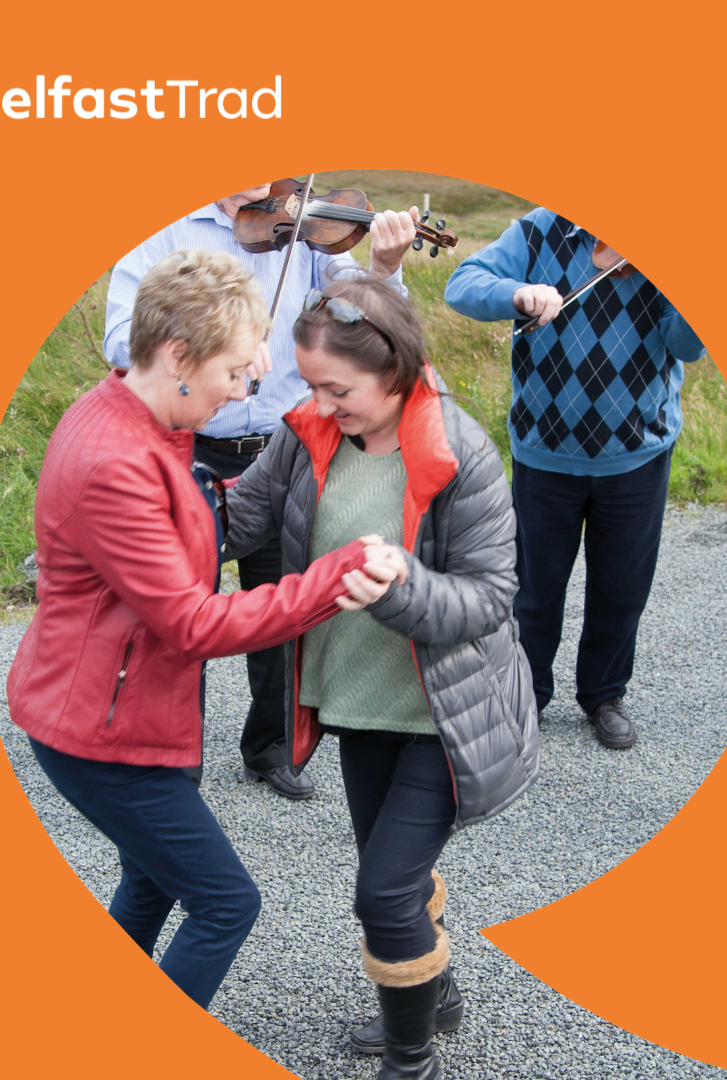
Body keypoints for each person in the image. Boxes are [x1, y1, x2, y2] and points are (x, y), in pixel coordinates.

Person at [7, 249, 403, 1010]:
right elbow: (192, 623)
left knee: (153, 881)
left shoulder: (139, 420)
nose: (242, 386)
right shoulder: (117, 463)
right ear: (178, 356)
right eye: (232, 370)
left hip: (109, 712)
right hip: (97, 732)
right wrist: (335, 578)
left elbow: (189, 518)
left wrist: (289, 472)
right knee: (226, 904)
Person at [225, 276, 539, 1079]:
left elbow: (491, 598)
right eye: (312, 386)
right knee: (391, 875)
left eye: (339, 389)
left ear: (394, 369)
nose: (322, 405)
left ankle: (412, 1062)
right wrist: (139, 508)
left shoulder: (460, 452)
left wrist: (402, 589)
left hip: (444, 717)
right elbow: (240, 522)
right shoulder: (305, 436)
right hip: (358, 703)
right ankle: (438, 994)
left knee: (383, 893)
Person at [104, 183, 418, 800]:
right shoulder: (163, 229)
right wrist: (216, 345)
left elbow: (364, 322)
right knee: (179, 614)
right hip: (188, 447)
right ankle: (176, 756)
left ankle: (271, 747)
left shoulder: (305, 221)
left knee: (281, 605)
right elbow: (122, 340)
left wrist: (384, 269)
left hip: (281, 448)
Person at [444, 209, 705, 749]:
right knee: (533, 591)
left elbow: (685, 346)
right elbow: (462, 284)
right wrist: (517, 294)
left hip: (636, 455)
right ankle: (526, 695)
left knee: (622, 589)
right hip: (543, 453)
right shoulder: (540, 229)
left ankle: (604, 695)